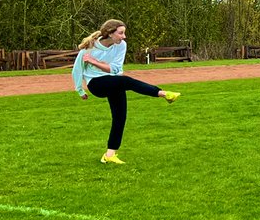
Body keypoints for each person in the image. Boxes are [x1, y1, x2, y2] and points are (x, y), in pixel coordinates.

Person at [72, 19, 180, 164]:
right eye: (120, 33)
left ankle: (109, 155)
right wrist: (80, 90)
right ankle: (162, 93)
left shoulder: (121, 45)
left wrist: (94, 62)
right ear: (110, 33)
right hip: (97, 84)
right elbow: (77, 70)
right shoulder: (89, 47)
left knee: (120, 117)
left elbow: (116, 69)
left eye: (124, 33)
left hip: (114, 81)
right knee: (126, 81)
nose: (124, 36)